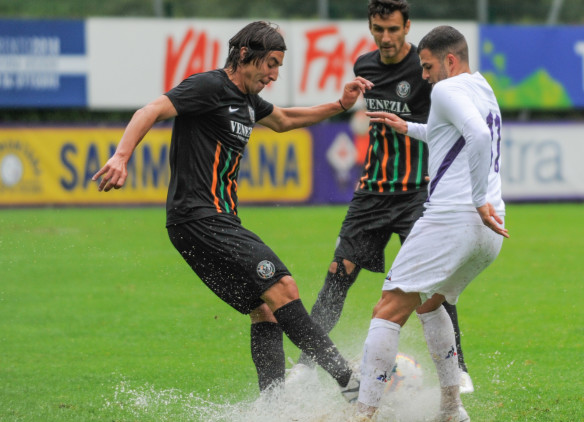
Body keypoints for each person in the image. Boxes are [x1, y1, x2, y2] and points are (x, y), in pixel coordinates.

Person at [92, 21, 373, 401]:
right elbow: (152, 109)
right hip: (202, 218)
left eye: (278, 67)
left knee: (266, 309)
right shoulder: (209, 86)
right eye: (270, 64)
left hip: (197, 225)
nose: (274, 75)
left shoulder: (249, 102)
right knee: (284, 287)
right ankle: (348, 381)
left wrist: (341, 105)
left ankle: (271, 406)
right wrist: (122, 156)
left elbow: (287, 120)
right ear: (244, 55)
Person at [293, 0, 475, 394]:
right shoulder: (364, 66)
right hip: (371, 192)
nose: (386, 37)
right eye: (379, 28)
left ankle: (458, 369)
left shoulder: (425, 69)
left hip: (416, 194)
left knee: (431, 284)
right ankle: (306, 364)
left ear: (407, 27)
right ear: (371, 28)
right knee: (337, 275)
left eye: (393, 29)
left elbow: (450, 121)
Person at [353, 25, 510, 421]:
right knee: (431, 302)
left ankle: (362, 416)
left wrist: (476, 200)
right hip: (490, 230)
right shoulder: (482, 87)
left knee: (387, 309)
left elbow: (474, 135)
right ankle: (451, 410)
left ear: (450, 61)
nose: (423, 76)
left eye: (427, 67)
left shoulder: (445, 89)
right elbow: (456, 133)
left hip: (456, 216)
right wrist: (408, 128)